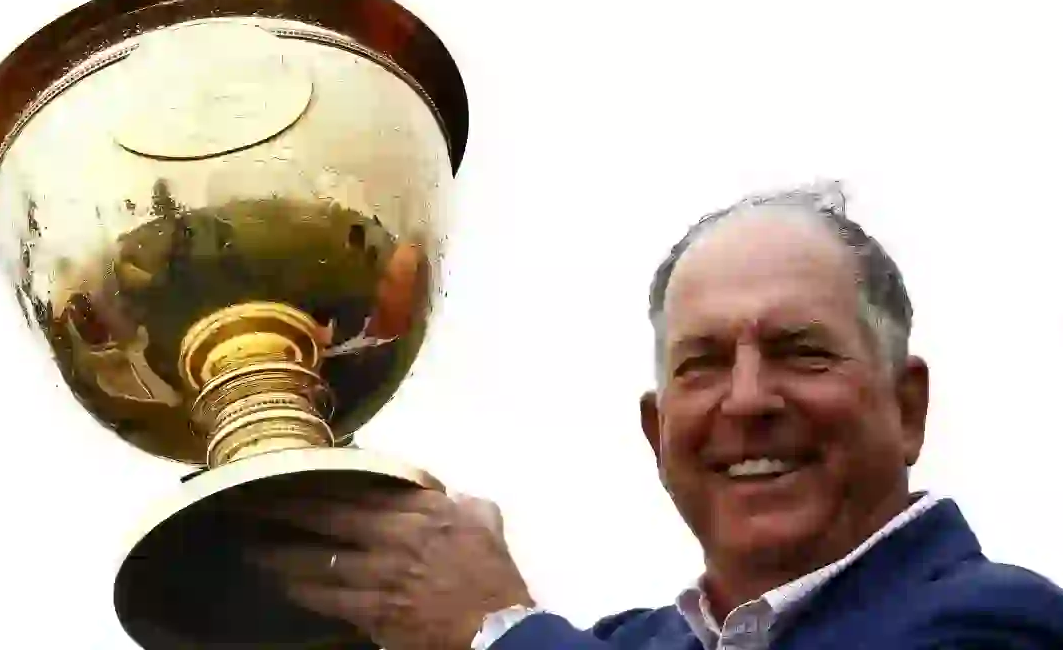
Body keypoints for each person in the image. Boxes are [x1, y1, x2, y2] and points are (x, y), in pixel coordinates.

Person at [246, 182, 1063, 649]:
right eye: (702, 364)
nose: (746, 399)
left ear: (907, 405)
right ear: (657, 432)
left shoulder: (1000, 623)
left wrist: (496, 631)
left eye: (801, 350)